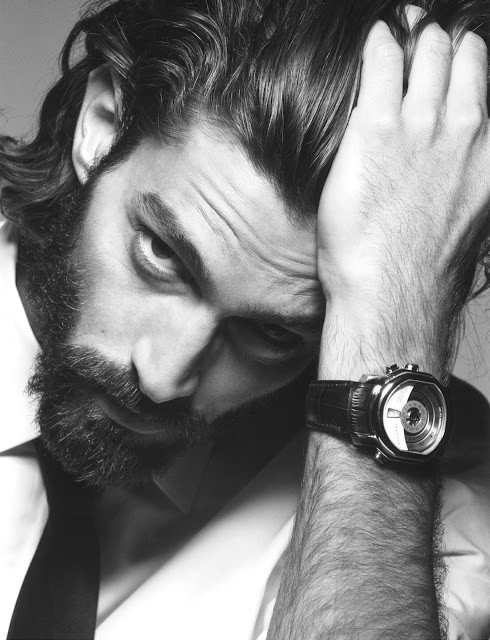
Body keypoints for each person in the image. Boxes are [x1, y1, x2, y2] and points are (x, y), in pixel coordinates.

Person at [0, 0, 489, 638]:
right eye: (163, 254)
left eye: (271, 334)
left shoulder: (437, 512)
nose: (163, 378)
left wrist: (392, 316)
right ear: (101, 127)